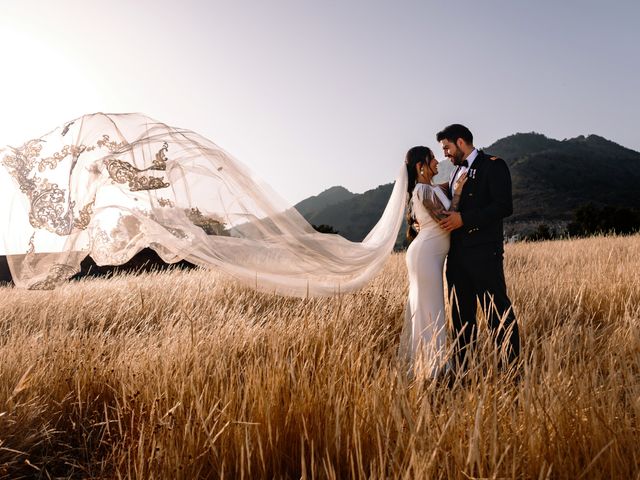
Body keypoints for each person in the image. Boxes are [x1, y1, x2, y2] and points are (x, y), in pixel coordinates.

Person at [437, 124, 520, 372]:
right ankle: (464, 372)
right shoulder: (453, 174)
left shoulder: (493, 165)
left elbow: (504, 206)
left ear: (460, 142)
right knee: (461, 319)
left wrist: (465, 219)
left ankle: (510, 371)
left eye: (447, 148)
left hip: (485, 254)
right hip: (457, 257)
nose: (445, 154)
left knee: (498, 315)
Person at [400, 146, 466, 378]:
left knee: (429, 310)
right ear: (421, 167)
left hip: (429, 255)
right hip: (425, 256)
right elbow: (446, 220)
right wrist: (458, 193)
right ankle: (432, 370)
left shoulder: (429, 189)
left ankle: (429, 367)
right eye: (432, 159)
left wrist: (454, 184)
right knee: (431, 310)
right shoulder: (423, 191)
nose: (437, 162)